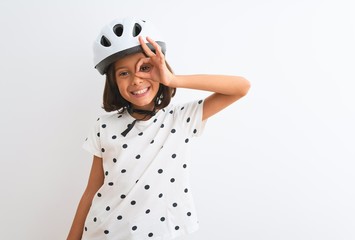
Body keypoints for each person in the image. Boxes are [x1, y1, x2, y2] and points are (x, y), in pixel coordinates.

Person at [67, 17, 250, 240]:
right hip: (104, 233)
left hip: (161, 233)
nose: (136, 80)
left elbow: (241, 87)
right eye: (124, 73)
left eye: (145, 68)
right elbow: (91, 190)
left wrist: (173, 80)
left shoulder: (181, 118)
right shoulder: (104, 126)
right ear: (114, 81)